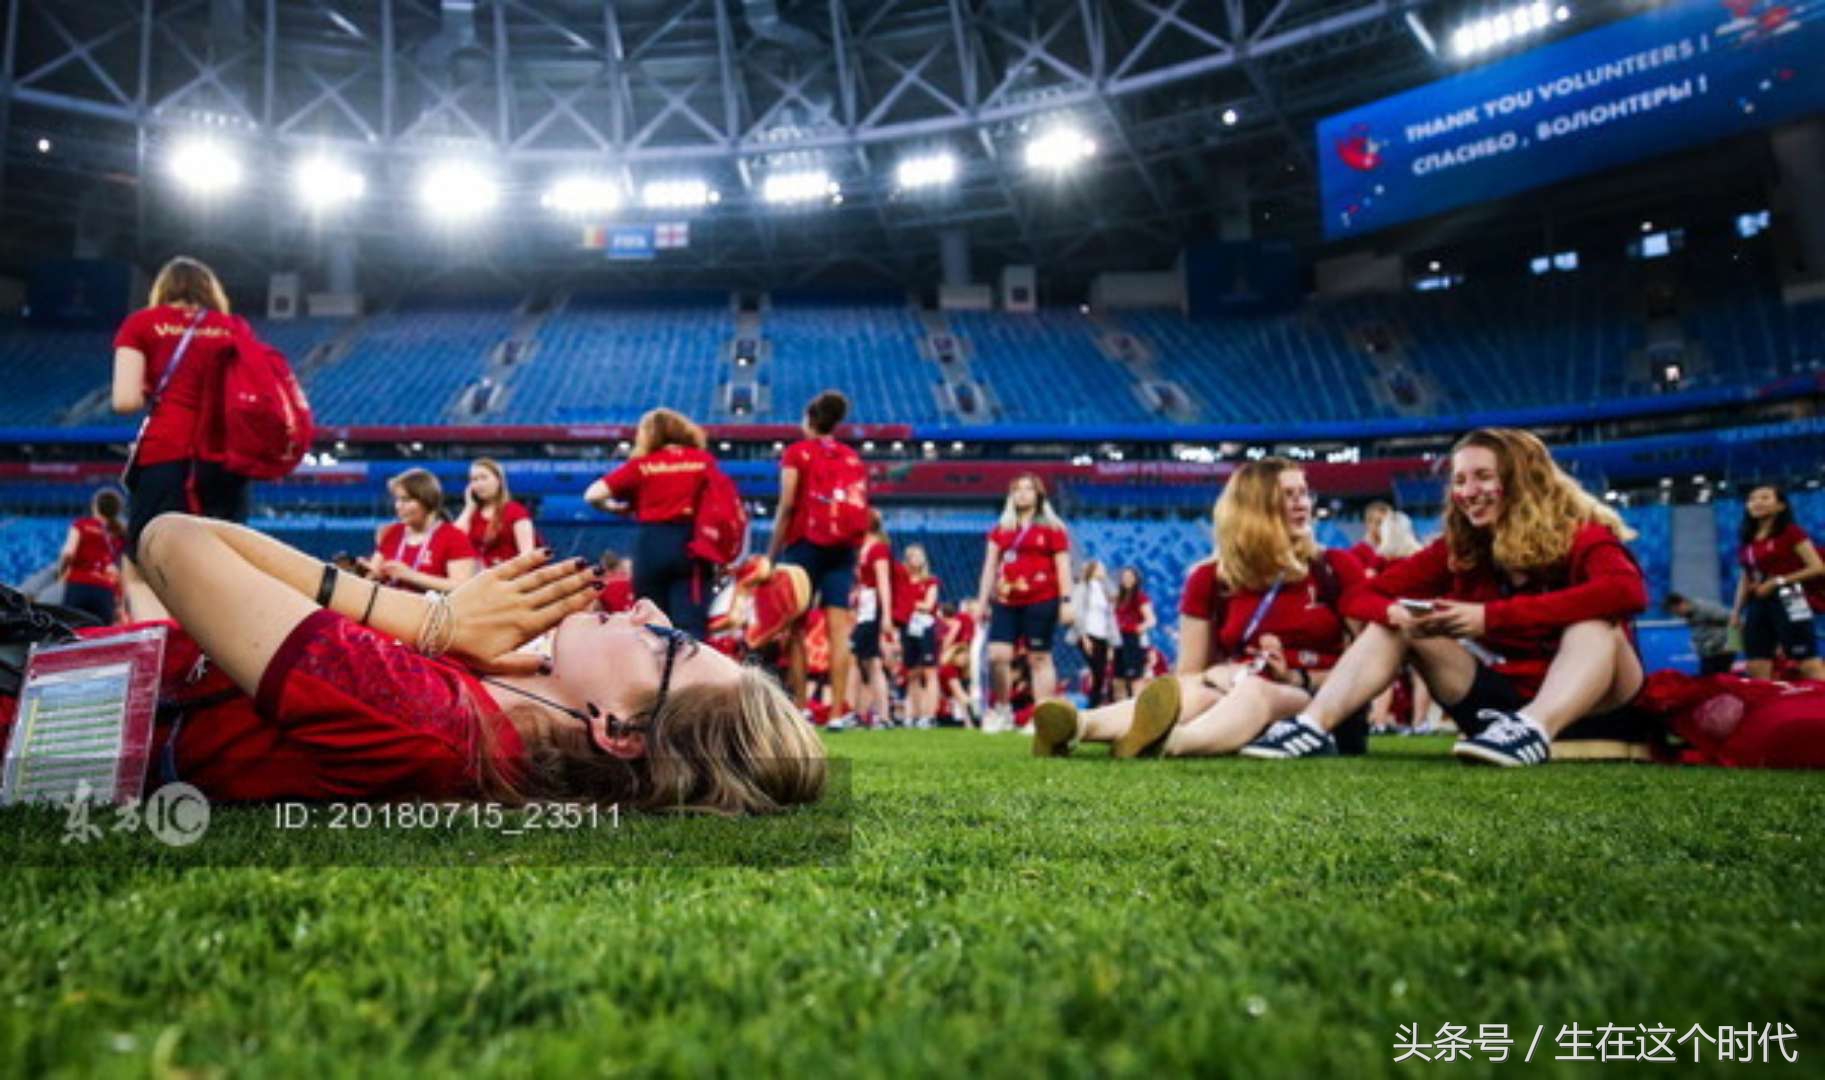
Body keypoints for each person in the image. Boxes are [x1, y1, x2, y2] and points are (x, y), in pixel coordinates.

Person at [111, 514, 824, 813]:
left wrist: (430, 618)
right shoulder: (488, 706)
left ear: (618, 730)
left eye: (669, 646)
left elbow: (171, 540)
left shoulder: (437, 723)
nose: (650, 613)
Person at [1241, 427, 1647, 767]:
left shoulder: (1584, 536)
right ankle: (1311, 727)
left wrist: (1489, 618)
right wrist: (1396, 612)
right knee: (1397, 626)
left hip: (1597, 702)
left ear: (1522, 480)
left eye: (1483, 476)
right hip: (1500, 707)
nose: (1468, 492)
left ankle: (1535, 729)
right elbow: (1360, 596)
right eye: (1459, 480)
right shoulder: (1460, 549)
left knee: (1597, 625)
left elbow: (1627, 592)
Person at [1031, 458, 1365, 760]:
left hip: (1316, 704)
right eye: (1288, 494)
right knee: (1194, 691)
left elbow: (1366, 669)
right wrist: (1217, 673)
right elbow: (1189, 672)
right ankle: (1078, 725)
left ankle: (1172, 742)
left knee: (1256, 690)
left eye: (1304, 493)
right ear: (1253, 506)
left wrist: (1297, 675)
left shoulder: (1335, 568)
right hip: (1234, 691)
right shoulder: (1210, 578)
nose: (1303, 504)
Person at [111, 256, 253, 615]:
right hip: (224, 461)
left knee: (143, 564)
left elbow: (125, 400)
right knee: (221, 564)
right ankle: (213, 660)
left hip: (166, 455)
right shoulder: (234, 327)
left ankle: (159, 654)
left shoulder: (141, 324)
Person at [766, 391, 869, 723]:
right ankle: (838, 712)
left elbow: (787, 505)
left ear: (810, 420)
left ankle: (800, 708)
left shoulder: (797, 453)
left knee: (797, 628)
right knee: (838, 632)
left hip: (805, 546)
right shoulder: (851, 457)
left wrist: (772, 554)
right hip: (843, 550)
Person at [585, 408, 721, 638]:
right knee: (690, 627)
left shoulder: (643, 465)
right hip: (692, 545)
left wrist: (616, 509)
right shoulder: (703, 462)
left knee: (652, 625)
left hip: (652, 544)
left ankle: (654, 673)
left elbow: (592, 494)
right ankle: (692, 673)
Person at [976, 474, 1072, 732]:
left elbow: (1063, 567)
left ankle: (1041, 716)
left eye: (1028, 489)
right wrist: (982, 601)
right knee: (998, 655)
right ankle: (1003, 709)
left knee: (1039, 657)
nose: (1023, 494)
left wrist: (1066, 600)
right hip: (1006, 599)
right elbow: (989, 568)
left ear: (1038, 495)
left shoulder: (1053, 529)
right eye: (1017, 489)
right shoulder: (1001, 530)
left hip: (1042, 598)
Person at [1729, 484, 1824, 681]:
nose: (1757, 502)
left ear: (1780, 506)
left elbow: (1817, 567)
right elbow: (1746, 577)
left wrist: (1778, 582)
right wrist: (1736, 612)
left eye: (1765, 498)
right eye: (1752, 499)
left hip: (1791, 599)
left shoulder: (1791, 532)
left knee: (1807, 663)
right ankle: (1766, 710)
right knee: (1756, 665)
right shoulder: (1747, 540)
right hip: (1757, 604)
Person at [1366, 509, 1432, 732]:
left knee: (1384, 674)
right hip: (1416, 617)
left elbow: (1368, 585)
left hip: (1390, 619)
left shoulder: (1381, 557)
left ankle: (1379, 720)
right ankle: (1420, 722)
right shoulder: (1419, 554)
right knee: (1421, 676)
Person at [369, 468, 478, 594]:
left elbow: (462, 587)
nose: (398, 506)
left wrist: (411, 575)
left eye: (406, 500)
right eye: (397, 500)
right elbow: (373, 574)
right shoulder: (392, 532)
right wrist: (364, 572)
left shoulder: (454, 537)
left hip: (430, 611)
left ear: (427, 500)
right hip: (388, 609)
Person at [849, 512, 896, 728]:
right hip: (864, 610)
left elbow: (883, 583)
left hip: (872, 610)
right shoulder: (863, 549)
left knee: (864, 661)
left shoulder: (878, 549)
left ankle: (867, 712)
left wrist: (886, 615)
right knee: (866, 662)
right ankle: (867, 713)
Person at [56, 489, 128, 625]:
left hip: (78, 585)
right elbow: (121, 570)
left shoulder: (81, 525)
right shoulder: (121, 533)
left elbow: (68, 553)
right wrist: (121, 603)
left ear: (95, 506)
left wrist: (61, 573)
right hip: (105, 590)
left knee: (71, 633)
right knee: (103, 636)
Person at [456, 458, 537, 569]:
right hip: (477, 578)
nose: (479, 484)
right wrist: (469, 507)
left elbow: (527, 555)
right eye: (474, 480)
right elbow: (454, 541)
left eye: (484, 478)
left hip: (509, 578)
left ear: (498, 480)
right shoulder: (471, 514)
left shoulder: (516, 511)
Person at [898, 543, 942, 728]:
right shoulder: (902, 581)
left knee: (929, 671)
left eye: (919, 556)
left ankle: (929, 714)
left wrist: (910, 605)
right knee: (912, 672)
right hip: (907, 627)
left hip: (924, 627)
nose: (916, 559)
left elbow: (929, 604)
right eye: (912, 556)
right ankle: (911, 714)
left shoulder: (930, 581)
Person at [1069, 560, 1116, 707]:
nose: (1103, 571)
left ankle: (1094, 705)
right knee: (1096, 671)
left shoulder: (1104, 590)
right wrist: (1084, 638)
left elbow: (1111, 609)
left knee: (1101, 673)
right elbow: (1076, 613)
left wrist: (1110, 644)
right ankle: (1091, 705)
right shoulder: (1082, 588)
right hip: (1087, 634)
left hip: (1103, 635)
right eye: (1100, 568)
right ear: (1093, 570)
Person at [1111, 567, 1156, 701]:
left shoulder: (1140, 598)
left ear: (1136, 580)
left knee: (1135, 679)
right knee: (1118, 680)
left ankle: (1137, 710)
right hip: (1118, 640)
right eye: (1124, 576)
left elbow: (1151, 620)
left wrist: (1139, 628)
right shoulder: (1117, 598)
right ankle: (1120, 710)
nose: (1127, 579)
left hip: (1132, 641)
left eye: (1130, 576)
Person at [1666, 592, 1737, 676]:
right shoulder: (1689, 615)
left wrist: (1733, 644)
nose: (1678, 615)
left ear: (1682, 603)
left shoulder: (1706, 608)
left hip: (1722, 652)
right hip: (1708, 652)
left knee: (1719, 681)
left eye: (1677, 611)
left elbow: (1733, 619)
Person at [1350, 500, 1393, 572]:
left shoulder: (1396, 549)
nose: (1385, 527)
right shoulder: (1357, 551)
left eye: (1388, 523)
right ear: (1368, 523)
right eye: (1379, 522)